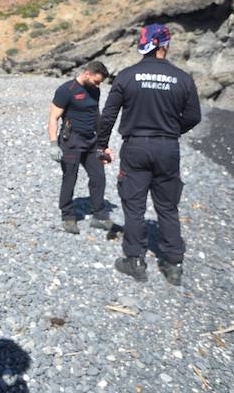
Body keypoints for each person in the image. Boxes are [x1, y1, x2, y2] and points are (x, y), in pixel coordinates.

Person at [97, 24, 201, 286]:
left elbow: (109, 114)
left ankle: (135, 261)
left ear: (143, 45)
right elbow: (193, 117)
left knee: (134, 207)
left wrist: (102, 146)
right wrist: (171, 130)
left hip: (136, 146)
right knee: (167, 207)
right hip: (167, 147)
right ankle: (173, 264)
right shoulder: (182, 78)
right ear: (164, 45)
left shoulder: (127, 76)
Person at [47, 60, 113, 234]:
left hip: (91, 141)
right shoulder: (66, 90)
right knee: (70, 177)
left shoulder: (95, 90)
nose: (98, 85)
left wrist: (103, 143)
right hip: (71, 142)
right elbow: (53, 117)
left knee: (98, 176)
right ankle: (68, 216)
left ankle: (99, 216)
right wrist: (54, 144)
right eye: (96, 81)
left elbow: (95, 115)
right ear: (87, 74)